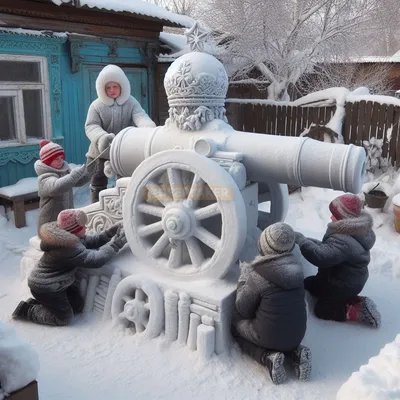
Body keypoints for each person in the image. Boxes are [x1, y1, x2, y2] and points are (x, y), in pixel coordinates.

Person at [12, 209, 126, 326]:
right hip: (45, 287)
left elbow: (90, 241)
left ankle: (44, 304)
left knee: (76, 305)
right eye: (83, 227)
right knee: (64, 318)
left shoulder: (67, 240)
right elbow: (95, 260)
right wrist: (116, 244)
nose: (86, 228)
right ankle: (27, 310)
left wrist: (109, 233)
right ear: (74, 231)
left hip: (55, 284)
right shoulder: (68, 248)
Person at [233, 222, 311, 385]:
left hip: (268, 336)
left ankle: (267, 357)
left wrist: (243, 280)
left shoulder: (258, 276)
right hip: (298, 334)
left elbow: (243, 308)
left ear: (265, 246)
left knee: (236, 328)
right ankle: (296, 352)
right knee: (283, 332)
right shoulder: (297, 269)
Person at [295, 194, 381, 328]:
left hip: (343, 284)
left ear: (343, 218)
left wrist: (301, 241)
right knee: (309, 284)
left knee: (322, 310)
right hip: (342, 278)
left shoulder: (343, 240)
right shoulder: (354, 231)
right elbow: (329, 249)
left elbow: (321, 257)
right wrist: (308, 241)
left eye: (333, 215)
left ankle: (357, 310)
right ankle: (347, 299)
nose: (330, 217)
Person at [85, 64, 156, 202]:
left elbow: (140, 116)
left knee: (125, 181)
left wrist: (147, 127)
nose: (112, 90)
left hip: (124, 150)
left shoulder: (131, 102)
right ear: (102, 89)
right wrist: (101, 137)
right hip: (101, 151)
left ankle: (123, 206)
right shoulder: (96, 105)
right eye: (108, 87)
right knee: (98, 180)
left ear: (122, 86)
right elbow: (91, 126)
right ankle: (96, 204)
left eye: (115, 86)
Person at [35, 140, 93, 231]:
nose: (60, 161)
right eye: (56, 159)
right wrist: (73, 176)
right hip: (50, 223)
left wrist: (91, 167)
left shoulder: (64, 171)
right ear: (47, 161)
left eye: (62, 157)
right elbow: (56, 187)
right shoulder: (44, 178)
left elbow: (79, 181)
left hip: (66, 219)